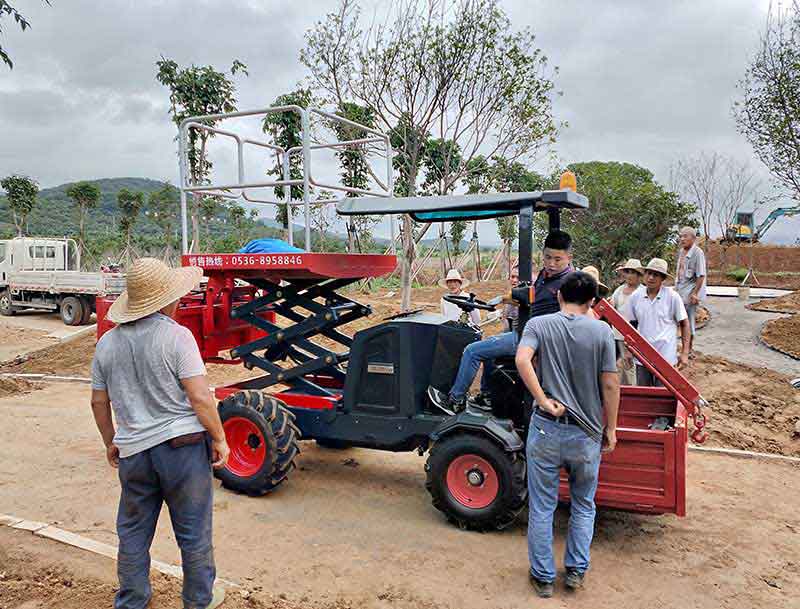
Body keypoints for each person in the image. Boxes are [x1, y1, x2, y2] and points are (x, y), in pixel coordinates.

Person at [90, 258, 230, 609]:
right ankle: (199, 601)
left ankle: (133, 600)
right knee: (193, 533)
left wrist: (111, 442)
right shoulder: (177, 337)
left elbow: (98, 402)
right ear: (168, 300)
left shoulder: (106, 345)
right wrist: (219, 438)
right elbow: (199, 396)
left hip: (134, 452)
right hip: (182, 450)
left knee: (133, 532)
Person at [515, 271, 620, 598]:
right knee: (584, 505)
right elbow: (610, 384)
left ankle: (544, 577)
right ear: (591, 301)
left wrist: (542, 400)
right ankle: (575, 571)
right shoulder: (602, 331)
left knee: (543, 506)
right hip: (586, 434)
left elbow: (522, 359)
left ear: (559, 295)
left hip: (546, 429)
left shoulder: (539, 325)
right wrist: (611, 428)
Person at [428, 230, 574, 412]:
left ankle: (455, 400)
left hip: (535, 340)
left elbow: (572, 319)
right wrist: (502, 299)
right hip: (525, 333)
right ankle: (488, 396)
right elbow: (531, 296)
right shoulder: (546, 275)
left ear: (569, 257)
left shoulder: (570, 284)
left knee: (472, 351)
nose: (551, 264)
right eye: (547, 257)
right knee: (490, 348)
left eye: (557, 259)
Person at [623, 258, 690, 387]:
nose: (651, 278)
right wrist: (628, 350)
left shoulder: (672, 297)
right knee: (644, 395)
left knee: (664, 395)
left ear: (663, 279)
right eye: (649, 273)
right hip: (642, 356)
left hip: (666, 356)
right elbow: (631, 325)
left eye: (656, 275)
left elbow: (684, 323)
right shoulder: (636, 297)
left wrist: (685, 353)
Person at [610, 259, 644, 385]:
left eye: (632, 273)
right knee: (621, 364)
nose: (629, 275)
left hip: (635, 335)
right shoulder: (619, 290)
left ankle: (635, 391)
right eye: (627, 272)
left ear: (639, 275)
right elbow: (613, 307)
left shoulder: (642, 292)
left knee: (632, 365)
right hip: (618, 334)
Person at [675, 227, 707, 356]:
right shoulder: (682, 252)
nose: (682, 239)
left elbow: (701, 275)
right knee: (681, 320)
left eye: (685, 236)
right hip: (681, 290)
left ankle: (688, 349)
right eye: (681, 236)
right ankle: (685, 348)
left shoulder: (697, 253)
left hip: (689, 292)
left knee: (688, 321)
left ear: (693, 238)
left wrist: (694, 293)